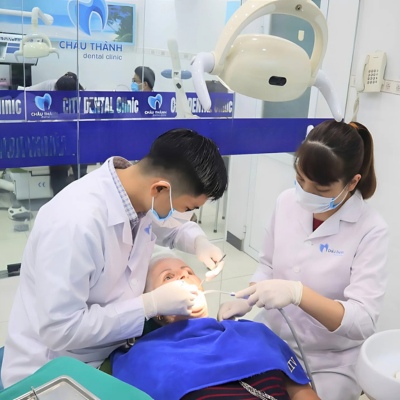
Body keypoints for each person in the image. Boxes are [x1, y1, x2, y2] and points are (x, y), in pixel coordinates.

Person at [1, 128, 228, 388]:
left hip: (106, 353)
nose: (185, 216)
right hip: (53, 371)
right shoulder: (74, 224)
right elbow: (61, 330)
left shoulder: (137, 191)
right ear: (160, 189)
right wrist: (149, 305)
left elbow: (172, 225)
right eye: (187, 208)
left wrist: (200, 242)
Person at [219, 120, 389, 400]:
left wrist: (299, 294)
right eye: (300, 180)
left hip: (329, 360)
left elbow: (363, 321)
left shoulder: (371, 229)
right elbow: (268, 265)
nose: (305, 194)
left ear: (353, 182)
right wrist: (246, 298)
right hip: (271, 339)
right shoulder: (286, 202)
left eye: (320, 190)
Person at [111, 253, 320, 400]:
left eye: (188, 271)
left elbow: (298, 390)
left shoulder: (253, 332)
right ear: (154, 306)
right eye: (168, 277)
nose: (184, 276)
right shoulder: (144, 356)